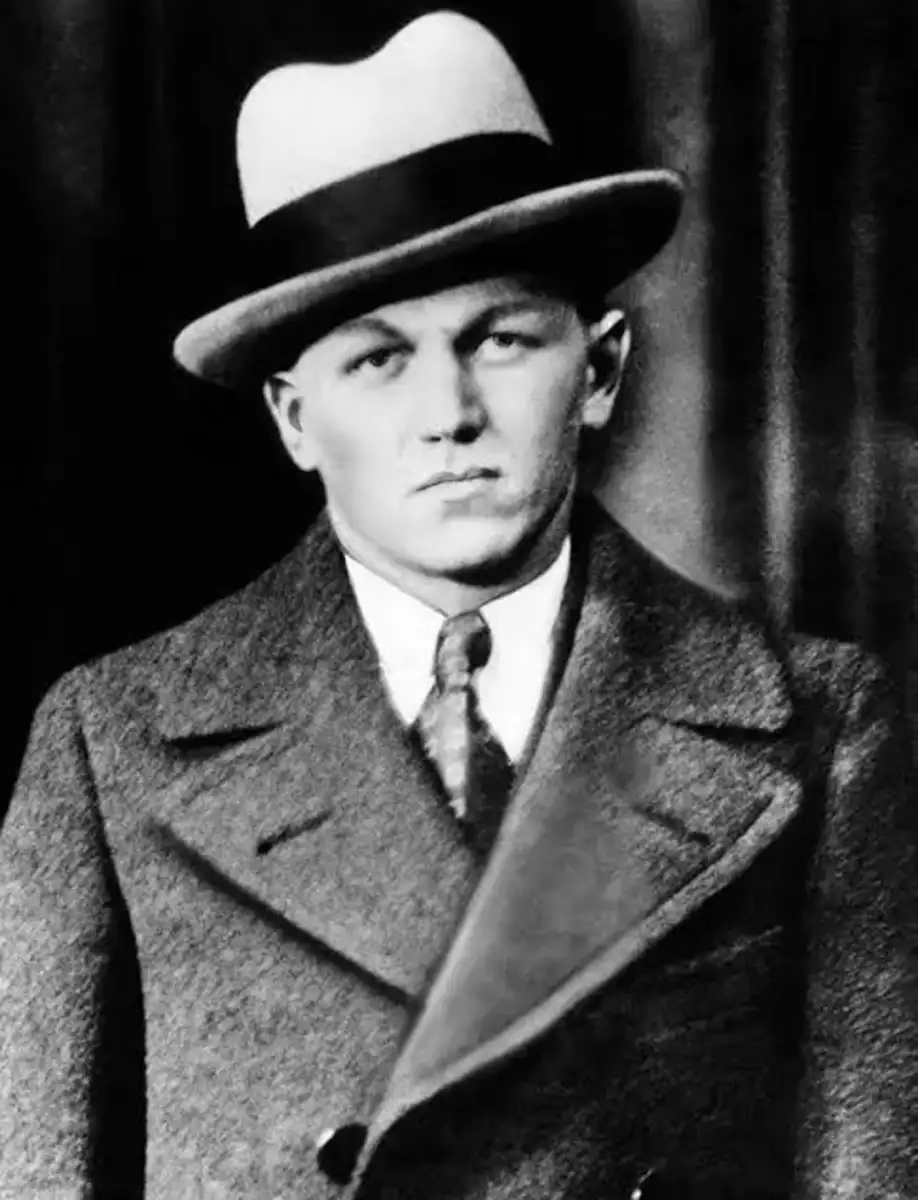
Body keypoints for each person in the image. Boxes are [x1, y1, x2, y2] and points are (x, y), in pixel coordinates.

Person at [1, 12, 915, 1200]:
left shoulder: (825, 726)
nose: (450, 411)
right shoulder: (108, 744)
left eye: (500, 339)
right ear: (291, 417)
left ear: (600, 370)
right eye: (378, 360)